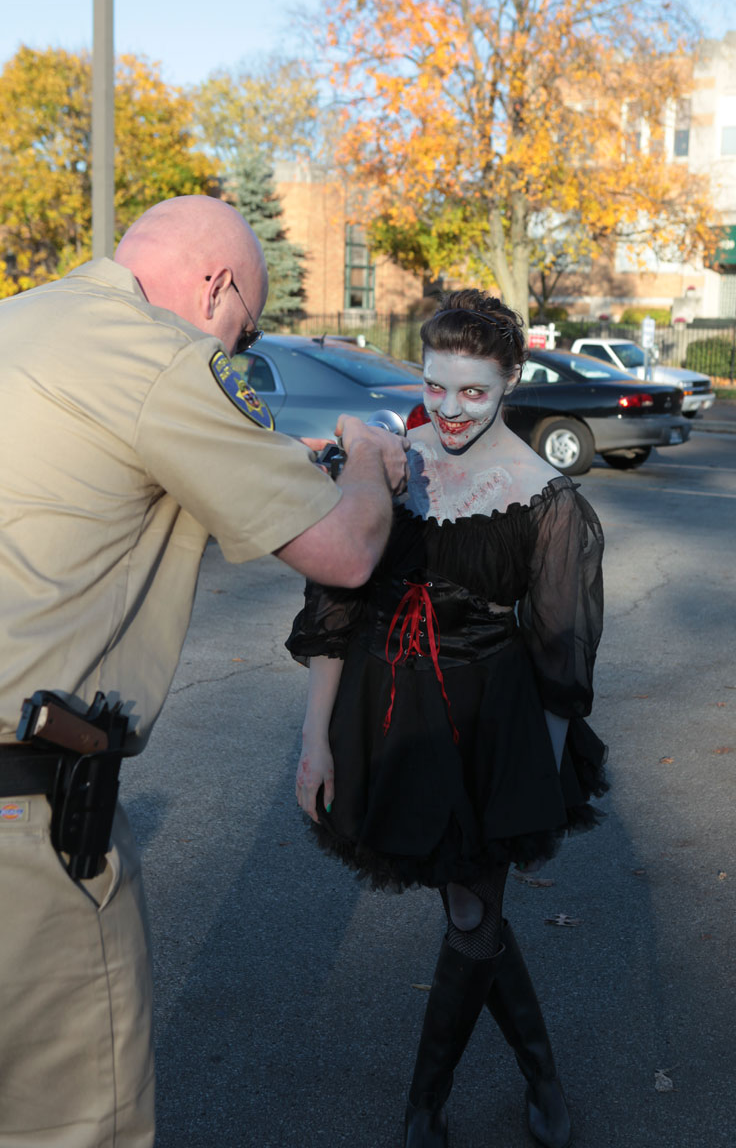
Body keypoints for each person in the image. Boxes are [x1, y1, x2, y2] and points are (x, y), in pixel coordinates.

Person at [0, 194, 407, 1148]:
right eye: (245, 329)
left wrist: (284, 456)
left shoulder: (22, 321)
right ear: (217, 284)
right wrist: (367, 465)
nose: (236, 350)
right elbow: (344, 551)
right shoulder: (160, 355)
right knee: (68, 1126)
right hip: (21, 821)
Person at [289, 289, 607, 1148]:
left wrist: (531, 783)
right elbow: (332, 611)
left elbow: (559, 652)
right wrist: (314, 738)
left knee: (471, 914)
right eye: (437, 388)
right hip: (385, 713)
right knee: (471, 914)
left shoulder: (548, 499)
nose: (453, 409)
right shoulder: (383, 469)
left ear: (510, 380)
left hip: (491, 724)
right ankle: (540, 1070)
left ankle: (425, 1105)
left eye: (474, 390)